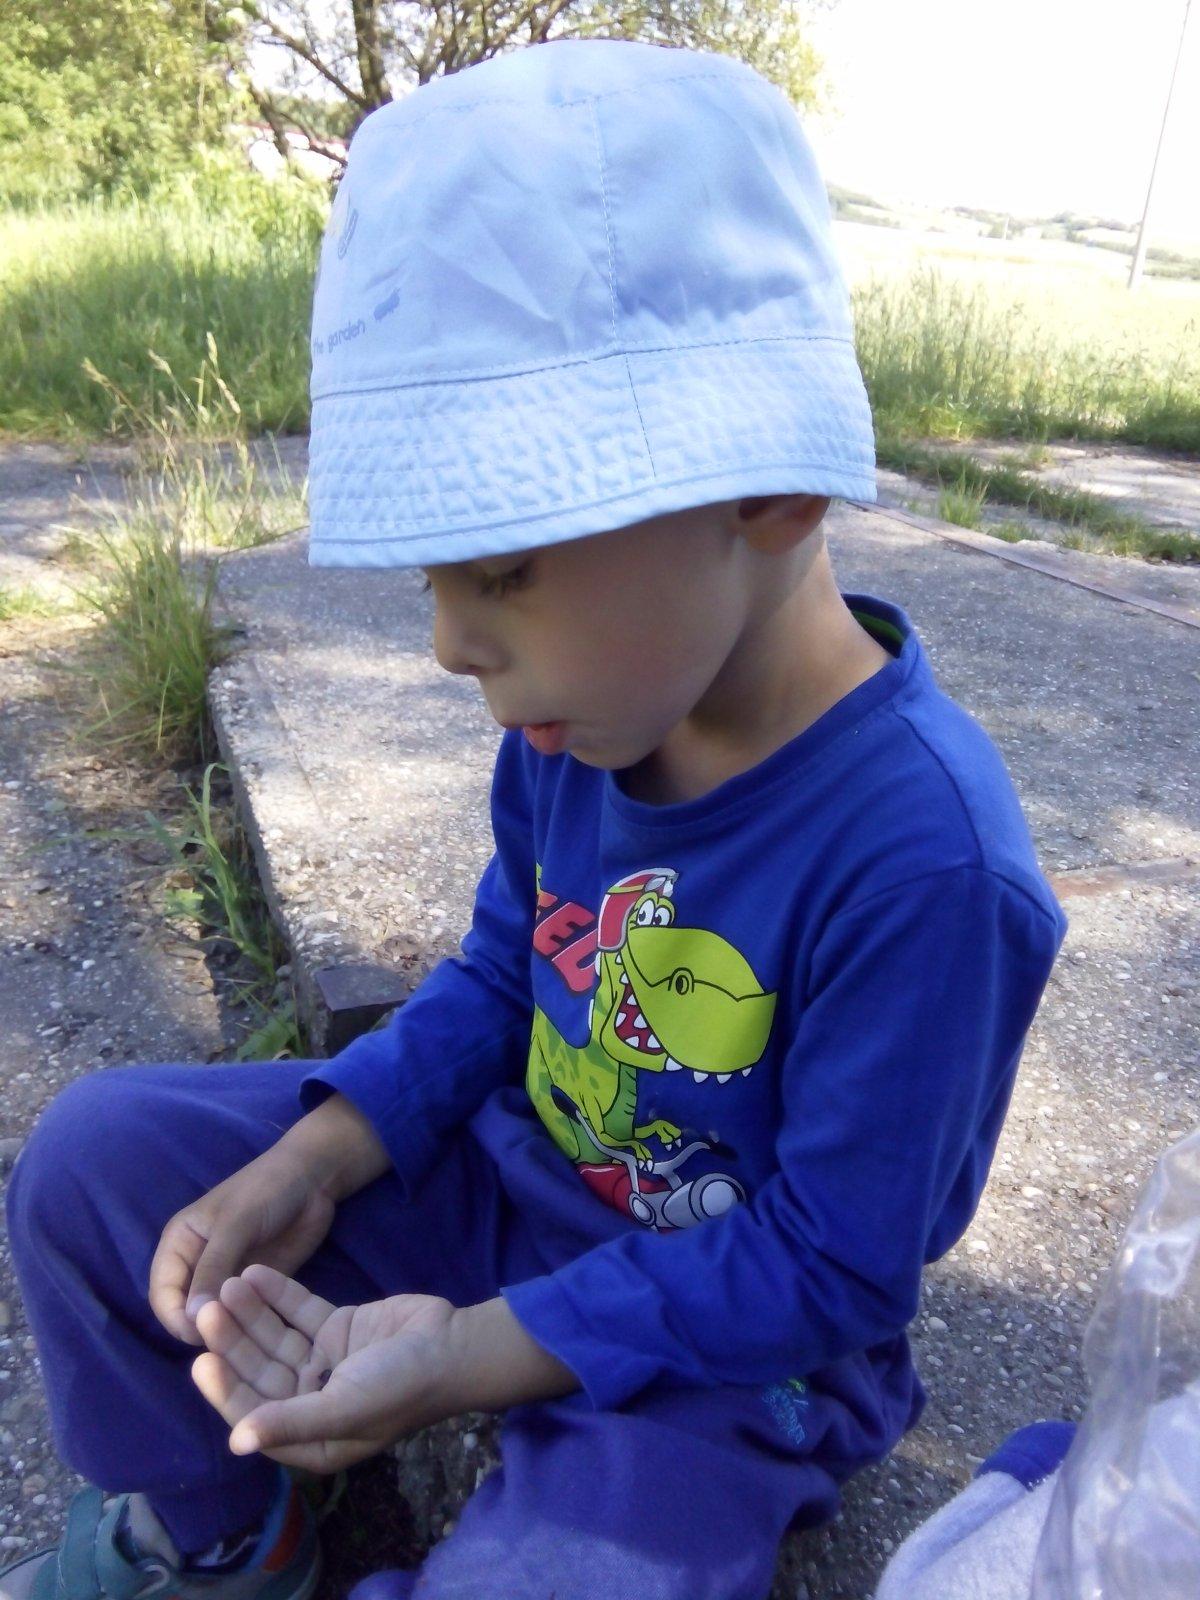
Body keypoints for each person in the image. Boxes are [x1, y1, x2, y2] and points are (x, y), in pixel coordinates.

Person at [1, 36, 1070, 1600]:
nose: (451, 643)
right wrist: (326, 1154)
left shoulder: (927, 865)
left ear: (768, 489)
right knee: (93, 1162)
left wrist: (466, 1356)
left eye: (503, 570)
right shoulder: (586, 719)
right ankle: (225, 1531)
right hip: (508, 1188)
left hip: (735, 1347)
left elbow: (831, 1260)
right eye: (436, 579)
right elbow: (506, 980)